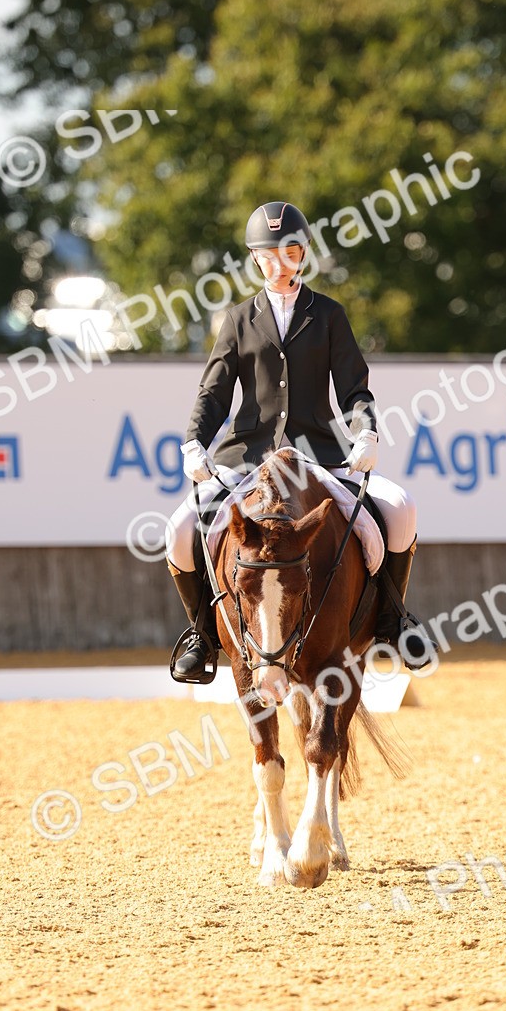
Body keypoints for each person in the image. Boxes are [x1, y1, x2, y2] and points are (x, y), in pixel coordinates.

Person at [165, 200, 431, 681]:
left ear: (304, 252)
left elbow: (354, 388)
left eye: (290, 249)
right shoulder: (238, 319)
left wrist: (366, 430)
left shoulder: (328, 314)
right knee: (180, 531)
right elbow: (214, 391)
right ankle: (201, 635)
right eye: (269, 253)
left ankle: (393, 621)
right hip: (246, 458)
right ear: (254, 258)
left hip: (318, 456)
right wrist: (193, 442)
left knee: (400, 507)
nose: (280, 261)